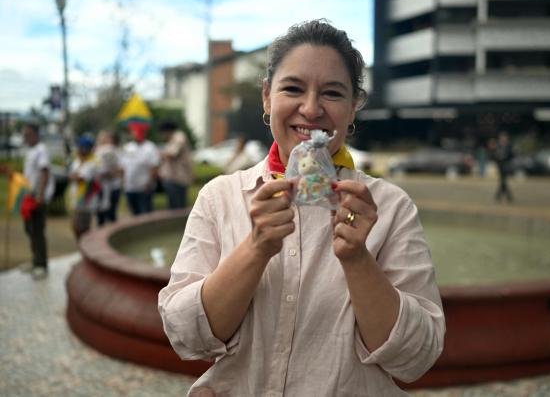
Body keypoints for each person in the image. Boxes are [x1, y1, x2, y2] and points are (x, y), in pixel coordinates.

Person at [158, 20, 445, 396]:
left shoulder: (390, 208)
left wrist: (358, 259)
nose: (311, 109)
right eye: (293, 88)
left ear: (353, 106)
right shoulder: (220, 197)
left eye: (333, 93)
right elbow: (185, 337)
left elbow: (415, 359)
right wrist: (256, 247)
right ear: (267, 97)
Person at [20, 122, 55, 279]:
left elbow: (44, 172)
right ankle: (35, 261)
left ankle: (41, 265)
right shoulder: (31, 150)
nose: (25, 137)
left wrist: (40, 195)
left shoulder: (41, 150)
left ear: (36, 134)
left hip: (37, 197)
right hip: (28, 196)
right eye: (24, 135)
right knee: (30, 229)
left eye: (27, 134)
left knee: (37, 230)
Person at [120, 122, 160, 215]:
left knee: (145, 213)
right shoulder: (128, 147)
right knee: (134, 213)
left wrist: (149, 183)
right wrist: (123, 182)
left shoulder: (150, 147)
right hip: (130, 187)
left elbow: (154, 167)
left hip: (144, 188)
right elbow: (123, 167)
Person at [68, 134, 100, 240]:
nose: (81, 149)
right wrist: (74, 176)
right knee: (76, 227)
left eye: (84, 147)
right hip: (76, 199)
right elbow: (71, 176)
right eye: (80, 147)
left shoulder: (93, 162)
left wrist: (75, 176)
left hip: (86, 201)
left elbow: (81, 178)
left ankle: (85, 249)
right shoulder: (77, 161)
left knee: (82, 228)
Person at [158, 120, 192, 209]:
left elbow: (172, 155)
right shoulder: (170, 141)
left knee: (178, 208)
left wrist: (160, 154)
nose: (162, 136)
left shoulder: (179, 137)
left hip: (178, 179)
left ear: (167, 131)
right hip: (172, 178)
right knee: (174, 207)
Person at [95, 130, 122, 225]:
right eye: (100, 137)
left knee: (111, 214)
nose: (102, 139)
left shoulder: (111, 150)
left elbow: (117, 170)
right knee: (100, 215)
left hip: (112, 187)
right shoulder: (97, 151)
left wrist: (106, 174)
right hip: (99, 187)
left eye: (105, 137)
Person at [491, 132, 514, 202]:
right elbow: (494, 155)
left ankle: (499, 195)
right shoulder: (498, 146)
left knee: (503, 181)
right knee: (503, 181)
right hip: (500, 165)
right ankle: (507, 196)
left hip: (506, 165)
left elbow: (512, 155)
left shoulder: (509, 146)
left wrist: (506, 159)